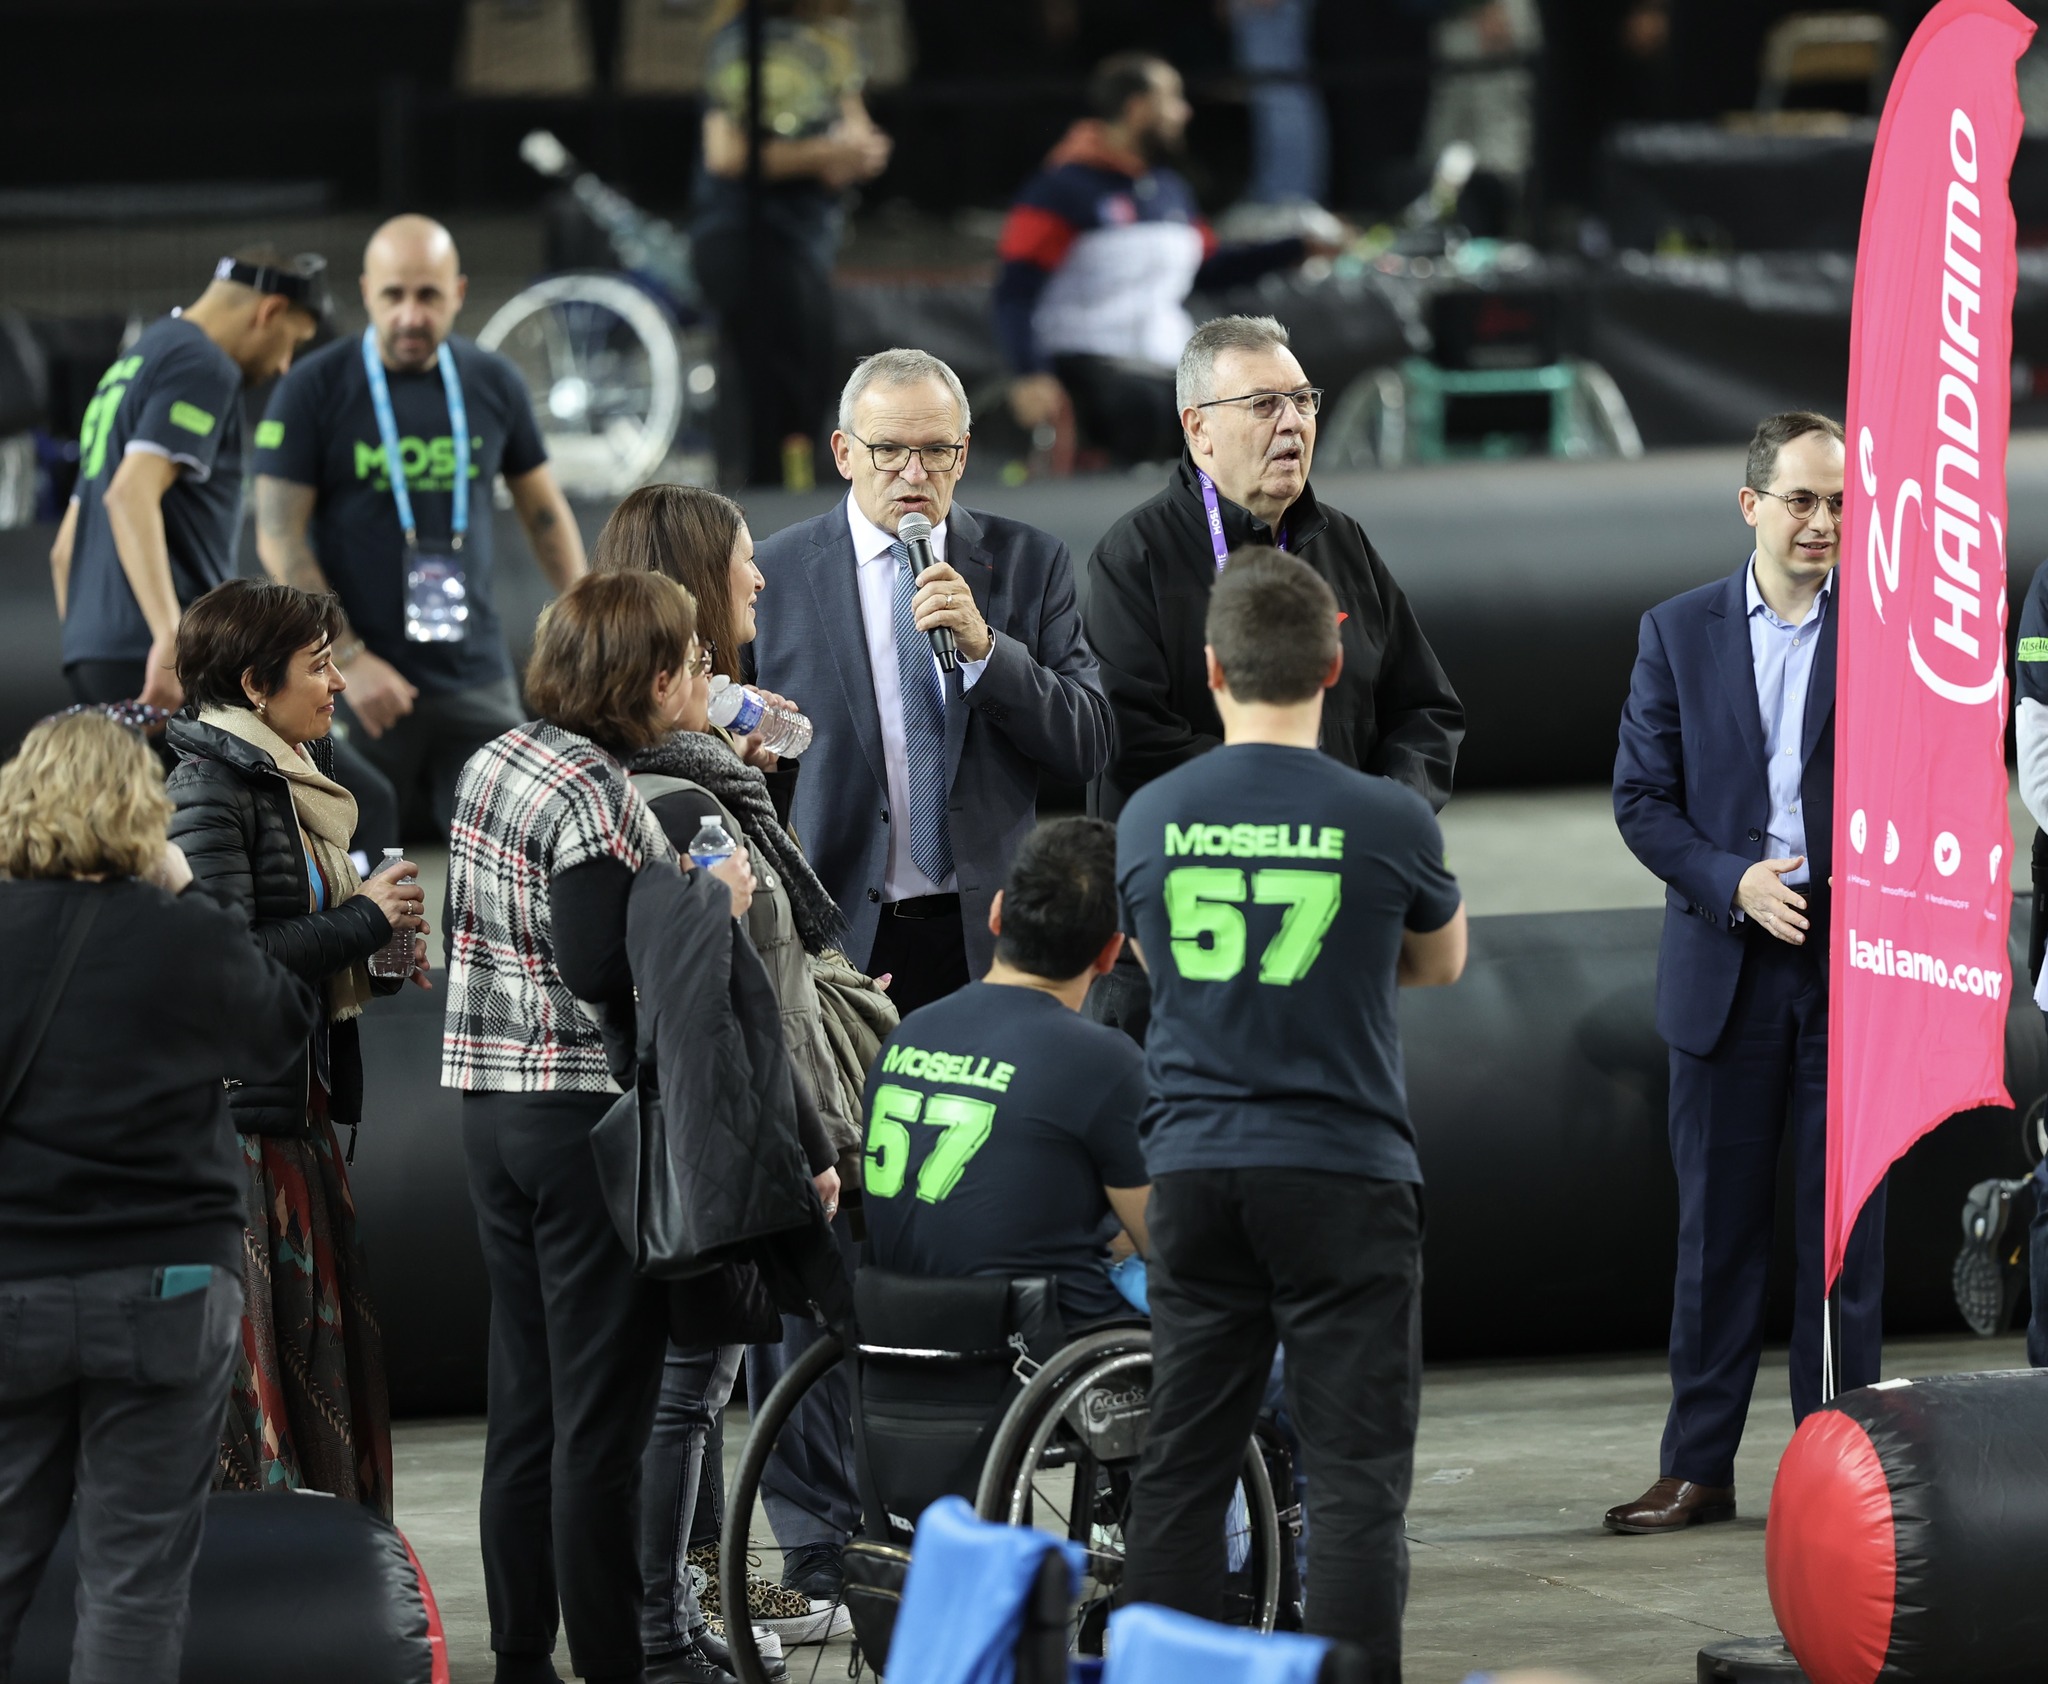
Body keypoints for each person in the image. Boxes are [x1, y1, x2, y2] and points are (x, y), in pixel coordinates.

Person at [1116, 548, 1467, 1670]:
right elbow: (1440, 963)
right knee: (1354, 1475)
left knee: (1184, 1460)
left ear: (1210, 668)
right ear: (1331, 664)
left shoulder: (1148, 816)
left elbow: (1163, 970)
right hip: (1343, 1169)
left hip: (1197, 1168)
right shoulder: (1387, 815)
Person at [442, 570, 773, 1684]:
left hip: (487, 1114)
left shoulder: (496, 756)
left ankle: (525, 1657)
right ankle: (614, 1665)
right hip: (579, 1125)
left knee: (524, 1408)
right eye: (687, 659)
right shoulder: (593, 789)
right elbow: (595, 965)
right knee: (602, 1423)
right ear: (648, 676)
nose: (702, 675)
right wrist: (704, 904)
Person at [591, 485, 868, 1661]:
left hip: (682, 1105)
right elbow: (748, 980)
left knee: (695, 1379)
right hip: (711, 1109)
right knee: (690, 1380)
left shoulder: (693, 758)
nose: (761, 582)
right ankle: (678, 1617)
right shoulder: (679, 784)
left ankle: (699, 1600)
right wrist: (806, 1140)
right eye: (744, 565)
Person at [1607, 410, 1884, 1535]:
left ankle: (1844, 1478)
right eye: (1801, 501)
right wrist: (1733, 881)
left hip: (1851, 968)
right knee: (1716, 1236)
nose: (1821, 522)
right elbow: (1639, 802)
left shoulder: (1887, 634)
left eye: (1836, 503)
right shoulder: (1673, 632)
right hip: (1726, 963)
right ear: (1750, 505)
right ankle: (1698, 1466)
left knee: (1842, 1243)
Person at [0, 711, 316, 1684]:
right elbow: (278, 1034)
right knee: (134, 1581)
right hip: (170, 1283)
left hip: (16, 1282)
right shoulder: (180, 932)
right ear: (144, 811)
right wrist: (189, 892)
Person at [164, 578, 433, 1515]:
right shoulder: (207, 785)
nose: (337, 686)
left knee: (320, 1368)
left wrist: (384, 946)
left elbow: (307, 936)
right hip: (242, 1133)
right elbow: (222, 961)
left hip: (297, 1115)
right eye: (319, 668)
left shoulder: (294, 778)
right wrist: (364, 920)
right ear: (251, 683)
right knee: (267, 1384)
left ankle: (332, 1585)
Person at [748, 347, 1114, 1018]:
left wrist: (986, 651)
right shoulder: (772, 576)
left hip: (988, 938)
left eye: (936, 451)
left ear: (964, 455)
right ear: (843, 453)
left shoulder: (1029, 563)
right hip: (837, 945)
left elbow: (1086, 743)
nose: (913, 474)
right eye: (888, 450)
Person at [253, 215, 586, 839]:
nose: (410, 315)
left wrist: (591, 615)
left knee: (513, 850)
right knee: (353, 865)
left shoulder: (492, 381)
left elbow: (544, 511)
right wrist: (347, 655)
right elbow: (279, 536)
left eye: (428, 295)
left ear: (457, 293)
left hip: (475, 672)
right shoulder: (313, 387)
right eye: (393, 296)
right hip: (354, 678)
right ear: (366, 291)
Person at [861, 816, 1150, 1329]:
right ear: (1109, 954)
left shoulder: (904, 1035)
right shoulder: (1103, 1061)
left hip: (895, 1353)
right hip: (1047, 1360)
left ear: (996, 914)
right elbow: (1171, 1245)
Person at [996, 56, 1336, 467]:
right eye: (1173, 99)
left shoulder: (1170, 190)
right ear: (1138, 108)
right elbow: (1014, 290)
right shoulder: (1059, 190)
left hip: (1165, 364)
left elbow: (1207, 269)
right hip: (1089, 366)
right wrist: (1030, 373)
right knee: (1151, 412)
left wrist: (1296, 249)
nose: (1184, 112)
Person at [51, 247, 325, 711]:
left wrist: (91, 649)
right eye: (291, 344)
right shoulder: (203, 362)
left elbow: (64, 551)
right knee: (344, 784)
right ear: (270, 310)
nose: (284, 366)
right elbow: (128, 495)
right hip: (167, 656)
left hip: (94, 655)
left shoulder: (135, 361)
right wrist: (168, 636)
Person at [691, 0, 891, 489]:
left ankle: (796, 508)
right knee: (761, 401)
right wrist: (825, 152)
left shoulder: (833, 41)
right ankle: (753, 519)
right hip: (743, 240)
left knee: (811, 393)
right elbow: (726, 153)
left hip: (807, 246)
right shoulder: (741, 43)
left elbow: (857, 136)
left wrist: (852, 153)